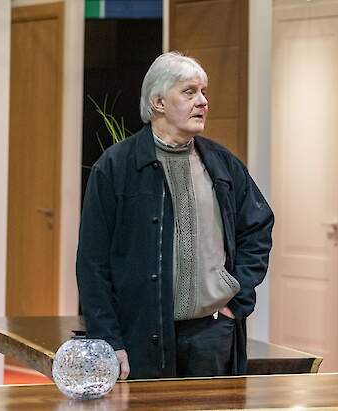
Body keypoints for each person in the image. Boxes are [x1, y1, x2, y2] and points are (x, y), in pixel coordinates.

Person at [76, 52, 274, 380]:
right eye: (189, 92)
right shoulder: (115, 167)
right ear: (158, 103)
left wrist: (237, 298)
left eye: (204, 92)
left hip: (213, 334)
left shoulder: (222, 163)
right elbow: (92, 263)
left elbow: (258, 226)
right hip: (139, 337)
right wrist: (109, 340)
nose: (203, 102)